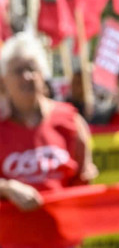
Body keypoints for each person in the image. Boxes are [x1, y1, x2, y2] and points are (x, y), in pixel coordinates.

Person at [0, 33, 97, 213]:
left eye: (32, 68)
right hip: (10, 237)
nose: (27, 76)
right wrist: (6, 188)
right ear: (4, 81)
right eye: (18, 70)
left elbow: (84, 177)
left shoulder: (70, 120)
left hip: (61, 235)